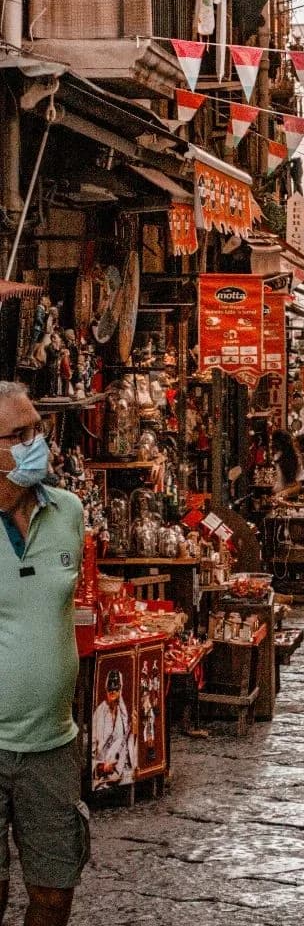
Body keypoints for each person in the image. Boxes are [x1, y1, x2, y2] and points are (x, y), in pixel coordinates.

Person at [0, 381, 88, 925]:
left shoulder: (69, 512)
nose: (36, 441)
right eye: (18, 434)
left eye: (37, 429)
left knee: (55, 896)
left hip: (54, 745)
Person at [91, 669, 137, 789]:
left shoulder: (122, 712)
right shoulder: (99, 714)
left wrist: (134, 731)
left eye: (116, 689)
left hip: (121, 770)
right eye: (110, 689)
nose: (113, 692)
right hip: (102, 772)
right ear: (106, 689)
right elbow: (91, 750)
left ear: (120, 690)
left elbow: (127, 742)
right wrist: (101, 767)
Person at [271, 429, 303, 498]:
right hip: (279, 496)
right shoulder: (277, 456)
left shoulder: (295, 459)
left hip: (289, 499)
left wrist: (284, 492)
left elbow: (299, 485)